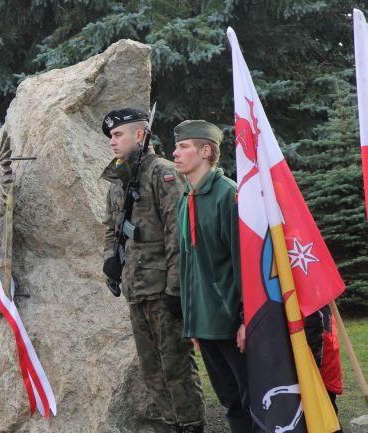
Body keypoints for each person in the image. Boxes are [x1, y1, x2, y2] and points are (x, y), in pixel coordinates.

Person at [101, 109, 205, 433]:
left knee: (176, 364)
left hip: (162, 289)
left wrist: (176, 287)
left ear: (139, 135)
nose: (112, 142)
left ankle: (191, 424)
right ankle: (171, 423)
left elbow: (178, 234)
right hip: (136, 288)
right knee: (151, 368)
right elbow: (112, 229)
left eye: (118, 135)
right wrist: (111, 263)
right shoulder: (118, 181)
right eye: (111, 136)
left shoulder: (163, 174)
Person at [173, 120, 256, 433]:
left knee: (254, 400)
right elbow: (189, 264)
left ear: (206, 151)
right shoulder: (187, 198)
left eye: (183, 146)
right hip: (205, 324)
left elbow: (244, 263)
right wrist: (193, 320)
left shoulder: (228, 195)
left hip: (232, 325)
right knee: (230, 402)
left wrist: (248, 319)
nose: (175, 152)